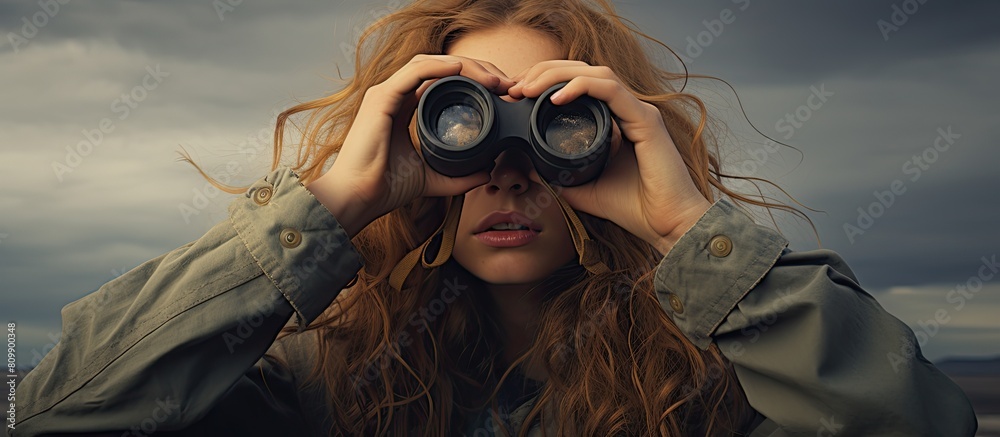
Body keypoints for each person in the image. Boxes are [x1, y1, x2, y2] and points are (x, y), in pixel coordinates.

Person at [8, 0, 977, 436]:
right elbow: (59, 411)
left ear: (615, 138)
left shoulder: (714, 391)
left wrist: (691, 232)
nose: (506, 169)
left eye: (557, 124)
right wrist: (330, 207)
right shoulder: (321, 384)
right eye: (460, 128)